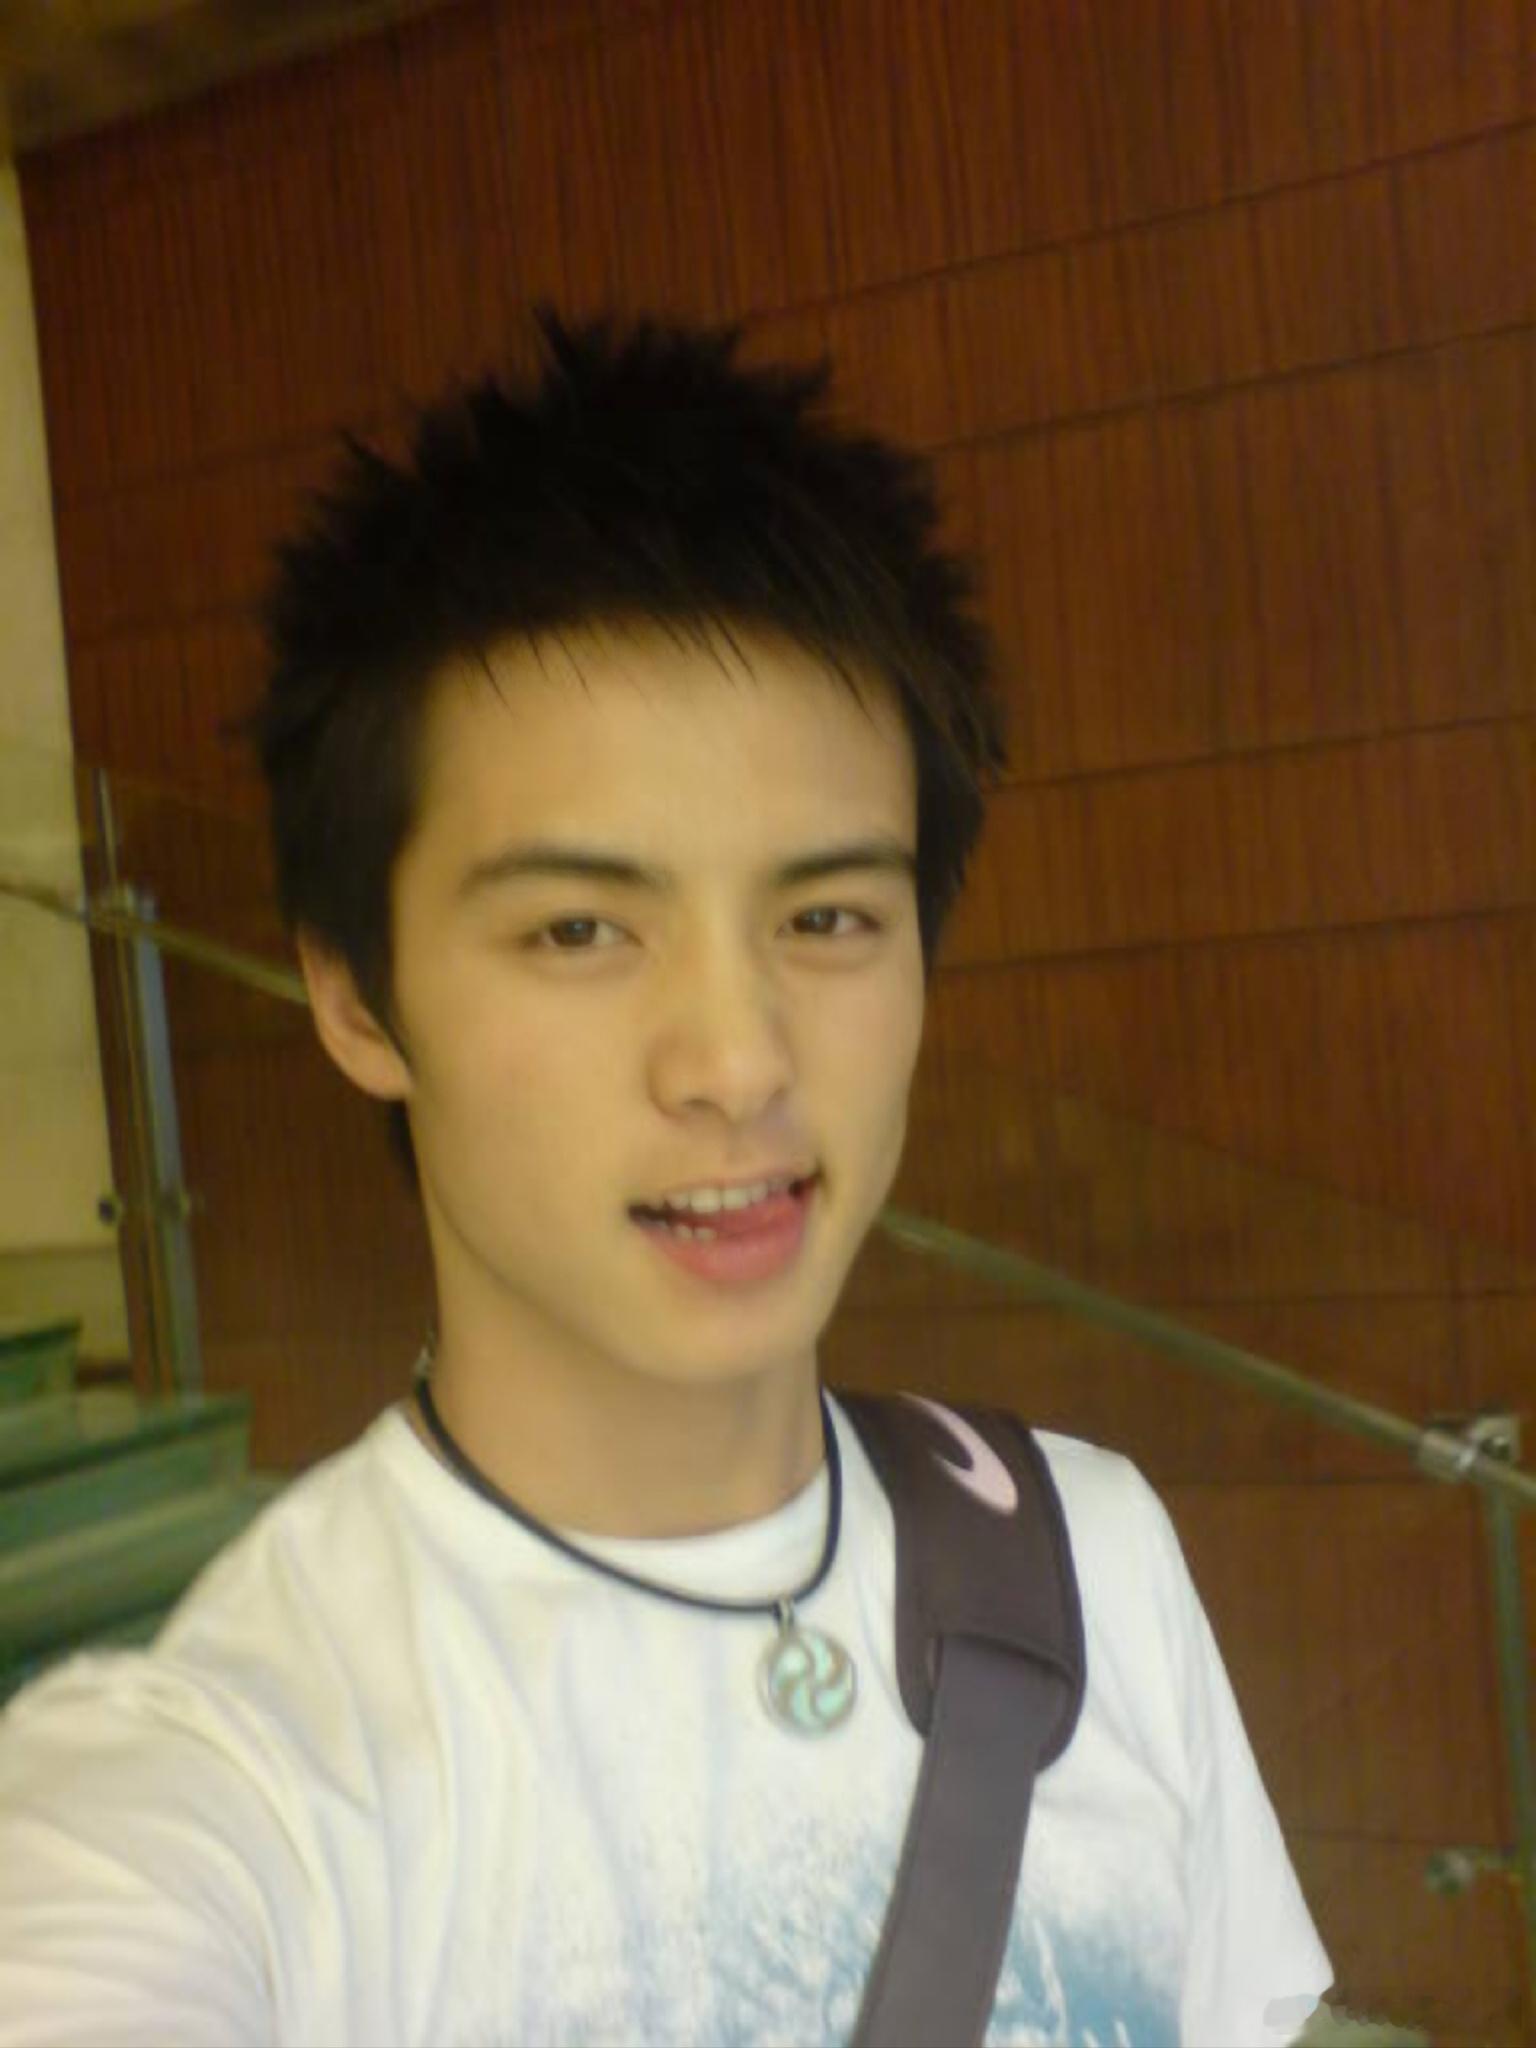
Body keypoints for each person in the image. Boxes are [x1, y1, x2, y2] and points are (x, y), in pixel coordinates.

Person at [0, 314, 1331, 2045]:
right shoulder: (218, 1790)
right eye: (579, 929)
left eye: (827, 915)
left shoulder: (1091, 1558)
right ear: (355, 997)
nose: (737, 1060)